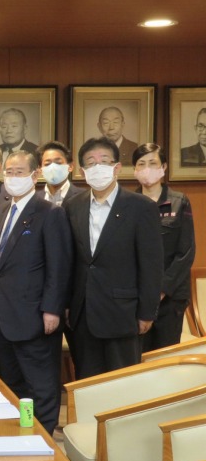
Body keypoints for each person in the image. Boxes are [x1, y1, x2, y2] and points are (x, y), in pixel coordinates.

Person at [0, 150, 72, 435]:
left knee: (41, 386)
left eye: (20, 172)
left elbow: (59, 266)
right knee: (12, 384)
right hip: (3, 317)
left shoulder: (50, 213)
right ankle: (18, 437)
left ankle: (44, 441)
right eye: (9, 172)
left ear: (35, 175)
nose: (13, 178)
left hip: (35, 316)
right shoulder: (3, 209)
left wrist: (52, 309)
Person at [65, 137, 163, 379]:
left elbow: (151, 265)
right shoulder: (72, 206)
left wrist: (147, 312)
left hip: (123, 312)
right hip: (82, 312)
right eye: (91, 163)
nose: (97, 167)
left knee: (122, 384)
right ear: (82, 172)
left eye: (104, 161)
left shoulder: (141, 207)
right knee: (86, 383)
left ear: (117, 167)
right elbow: (68, 260)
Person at [133, 143, 195, 351]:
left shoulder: (179, 201)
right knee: (137, 359)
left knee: (165, 357)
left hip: (170, 297)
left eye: (153, 163)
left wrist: (160, 290)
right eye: (141, 164)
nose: (147, 168)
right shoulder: (127, 203)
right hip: (137, 297)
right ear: (134, 169)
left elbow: (186, 252)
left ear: (164, 167)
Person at [36, 141, 84, 206]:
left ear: (70, 166)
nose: (53, 167)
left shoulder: (83, 197)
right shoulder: (33, 199)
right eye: (47, 164)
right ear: (40, 169)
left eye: (58, 163)